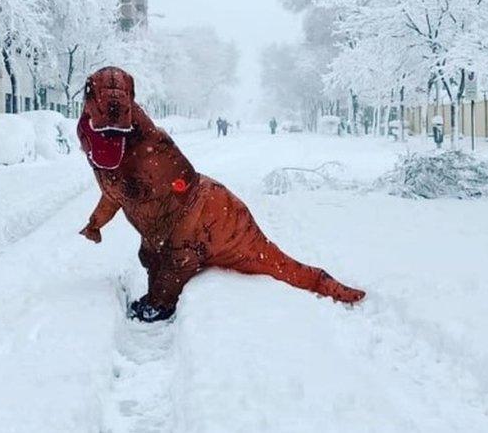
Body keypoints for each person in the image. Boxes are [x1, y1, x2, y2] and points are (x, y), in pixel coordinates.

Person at [77, 67, 365, 322]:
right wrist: (96, 222)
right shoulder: (111, 145)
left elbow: (183, 181)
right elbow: (114, 193)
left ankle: (161, 304)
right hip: (175, 217)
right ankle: (158, 297)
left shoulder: (151, 143)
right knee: (153, 254)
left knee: (176, 255)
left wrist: (144, 191)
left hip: (207, 214)